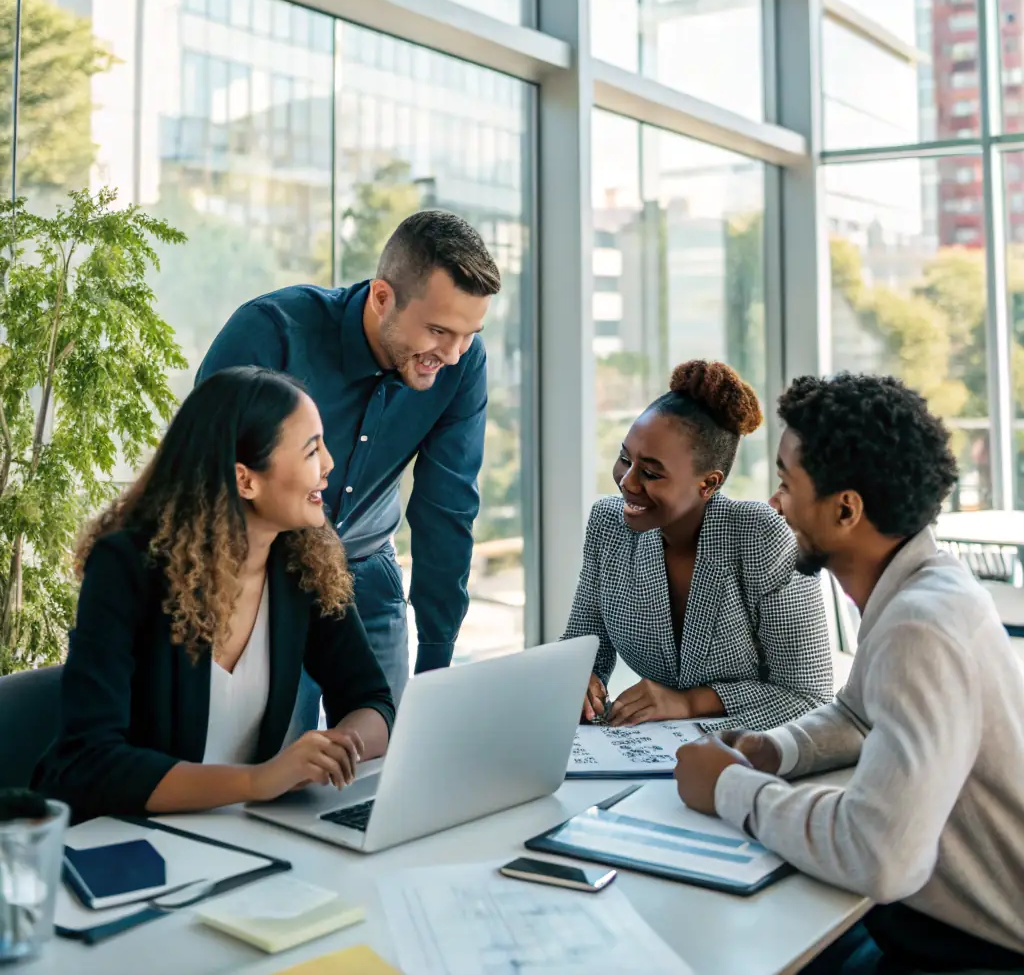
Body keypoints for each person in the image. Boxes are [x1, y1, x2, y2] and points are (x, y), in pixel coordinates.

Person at [675, 372, 1024, 974]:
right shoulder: (924, 588)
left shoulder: (920, 628)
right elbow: (862, 715)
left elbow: (880, 855)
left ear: (845, 509)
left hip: (975, 954)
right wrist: (772, 750)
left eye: (786, 484)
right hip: (931, 928)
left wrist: (729, 789)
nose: (773, 504)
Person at [35, 367, 395, 823]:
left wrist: (337, 750)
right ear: (246, 480)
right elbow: (92, 761)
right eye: (311, 450)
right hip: (124, 840)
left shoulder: (303, 561)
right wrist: (260, 780)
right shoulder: (126, 567)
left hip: (239, 836)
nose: (329, 463)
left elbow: (371, 700)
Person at [196, 210, 501, 718]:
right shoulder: (273, 334)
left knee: (385, 765)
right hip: (267, 578)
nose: (451, 354)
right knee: (277, 765)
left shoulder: (463, 362)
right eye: (438, 330)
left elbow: (446, 507)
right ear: (383, 297)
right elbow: (206, 479)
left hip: (367, 569)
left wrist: (436, 661)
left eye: (469, 333)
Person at [564, 360, 833, 732]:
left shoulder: (760, 536)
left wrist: (690, 703)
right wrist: (578, 682)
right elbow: (581, 650)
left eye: (651, 473)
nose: (627, 481)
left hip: (750, 760)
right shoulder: (609, 526)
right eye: (626, 458)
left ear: (709, 483)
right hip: (652, 754)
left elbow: (809, 695)